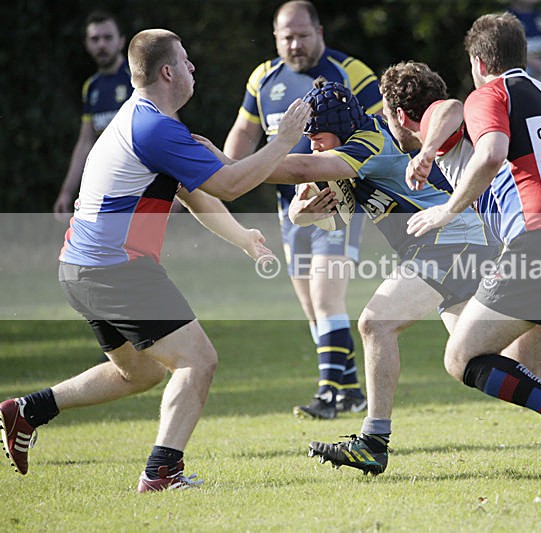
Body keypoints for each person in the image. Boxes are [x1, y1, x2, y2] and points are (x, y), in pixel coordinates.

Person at [286, 67, 541, 483]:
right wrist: (302, 210)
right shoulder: (346, 160)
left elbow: (448, 108)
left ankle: (374, 441)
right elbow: (307, 205)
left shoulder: (368, 141)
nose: (313, 145)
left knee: (377, 322)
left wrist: (231, 170)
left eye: (316, 136)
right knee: (519, 362)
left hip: (452, 243)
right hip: (471, 245)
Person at [0, 29, 311, 492]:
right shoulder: (155, 128)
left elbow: (198, 196)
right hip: (114, 268)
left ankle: (28, 410)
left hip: (83, 268)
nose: (193, 68)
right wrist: (284, 139)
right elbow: (228, 184)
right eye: (186, 61)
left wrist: (244, 238)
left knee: (140, 372)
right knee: (198, 361)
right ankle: (162, 473)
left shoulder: (145, 122)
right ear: (167, 71)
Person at [403, 12, 541, 484]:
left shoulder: (490, 93)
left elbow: (493, 152)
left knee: (460, 358)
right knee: (532, 363)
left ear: (479, 62)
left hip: (540, 240)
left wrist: (446, 211)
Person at [223, 0, 380, 419]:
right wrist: (224, 178)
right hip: (286, 204)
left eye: (302, 35)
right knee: (311, 306)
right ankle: (348, 391)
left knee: (326, 296)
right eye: (286, 36)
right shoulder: (263, 78)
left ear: (320, 32)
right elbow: (243, 133)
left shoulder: (352, 72)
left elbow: (382, 133)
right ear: (276, 37)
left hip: (337, 197)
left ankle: (329, 393)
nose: (294, 44)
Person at [53, 10, 133, 222]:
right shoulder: (91, 88)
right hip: (109, 189)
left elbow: (170, 125)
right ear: (87, 45)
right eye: (95, 39)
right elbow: (85, 142)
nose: (101, 45)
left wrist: (178, 183)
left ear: (121, 41)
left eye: (108, 38)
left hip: (142, 184)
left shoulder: (137, 79)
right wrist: (66, 192)